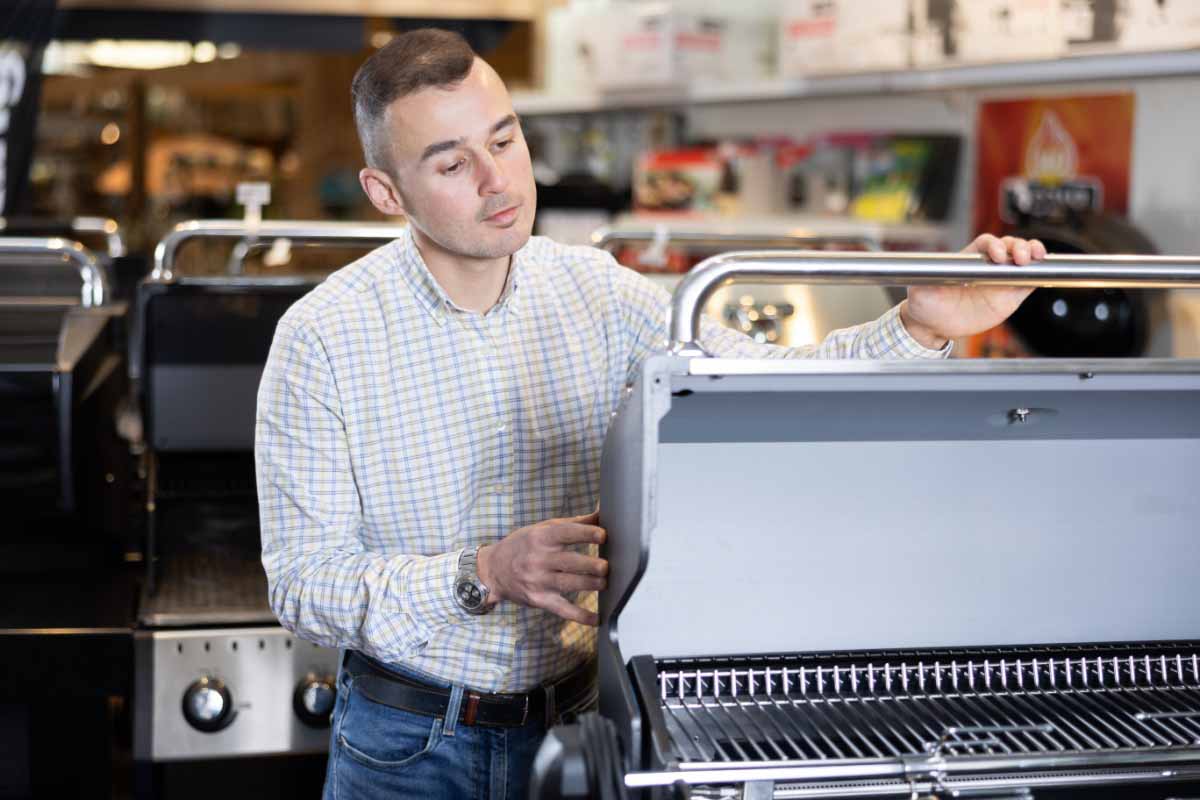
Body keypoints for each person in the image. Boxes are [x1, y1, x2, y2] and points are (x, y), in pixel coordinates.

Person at [254, 28, 1047, 800]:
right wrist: (482, 574)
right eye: (454, 163)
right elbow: (303, 585)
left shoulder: (598, 292)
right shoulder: (324, 337)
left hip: (584, 725)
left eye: (504, 141)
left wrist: (923, 324)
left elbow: (773, 384)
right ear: (387, 192)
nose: (498, 181)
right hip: (408, 745)